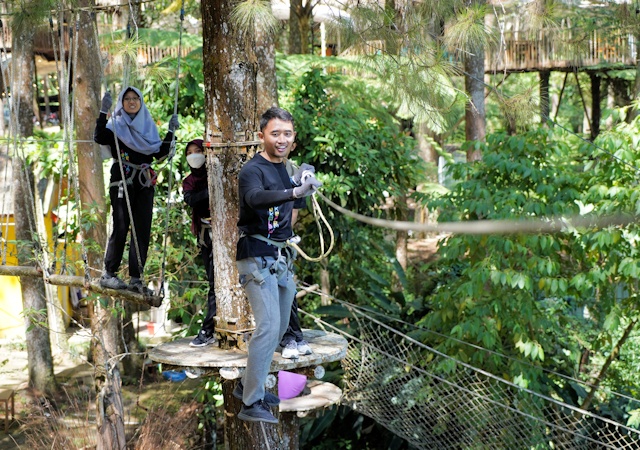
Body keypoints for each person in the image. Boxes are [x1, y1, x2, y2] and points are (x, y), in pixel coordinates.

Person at [233, 107, 321, 423]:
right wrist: (294, 188)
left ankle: (246, 385)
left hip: (280, 257)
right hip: (255, 254)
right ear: (262, 136)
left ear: (293, 138)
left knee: (281, 328)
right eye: (275, 133)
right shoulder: (252, 171)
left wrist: (303, 183)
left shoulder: (287, 169)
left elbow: (291, 208)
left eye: (287, 133)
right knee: (268, 325)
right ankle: (251, 403)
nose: (281, 139)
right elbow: (256, 198)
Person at [94, 86, 179, 294]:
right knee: (121, 225)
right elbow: (99, 136)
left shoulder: (147, 127)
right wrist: (103, 112)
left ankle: (136, 278)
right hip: (122, 180)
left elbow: (160, 153)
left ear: (141, 102)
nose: (132, 102)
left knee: (142, 229)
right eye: (127, 99)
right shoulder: (116, 126)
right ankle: (109, 273)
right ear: (122, 103)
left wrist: (171, 132)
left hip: (143, 182)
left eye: (135, 99)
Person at [182, 139, 217, 347]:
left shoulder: (216, 173)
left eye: (198, 151)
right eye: (190, 152)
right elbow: (192, 200)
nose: (194, 155)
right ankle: (208, 329)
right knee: (214, 283)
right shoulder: (189, 182)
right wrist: (212, 189)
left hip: (232, 235)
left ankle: (208, 329)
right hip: (207, 236)